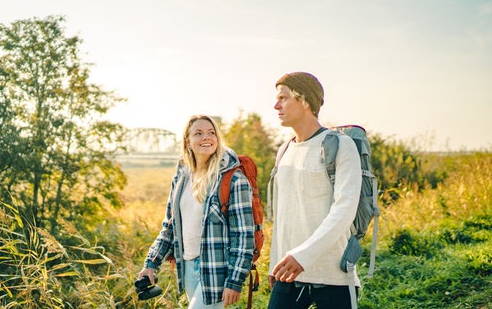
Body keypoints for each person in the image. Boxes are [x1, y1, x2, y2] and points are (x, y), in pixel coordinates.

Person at [138, 115, 255, 308]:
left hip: (216, 271)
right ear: (187, 141)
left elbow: (243, 235)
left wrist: (235, 280)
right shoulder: (182, 177)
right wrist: (150, 264)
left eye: (211, 133)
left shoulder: (233, 179)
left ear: (217, 139)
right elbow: (170, 226)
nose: (206, 138)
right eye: (198, 133)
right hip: (188, 266)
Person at [267, 72, 362, 309]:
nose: (276, 105)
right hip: (289, 273)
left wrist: (303, 256)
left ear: (306, 101)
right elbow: (282, 215)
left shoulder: (340, 145)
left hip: (334, 275)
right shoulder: (284, 150)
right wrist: (274, 262)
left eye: (284, 98)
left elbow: (344, 210)